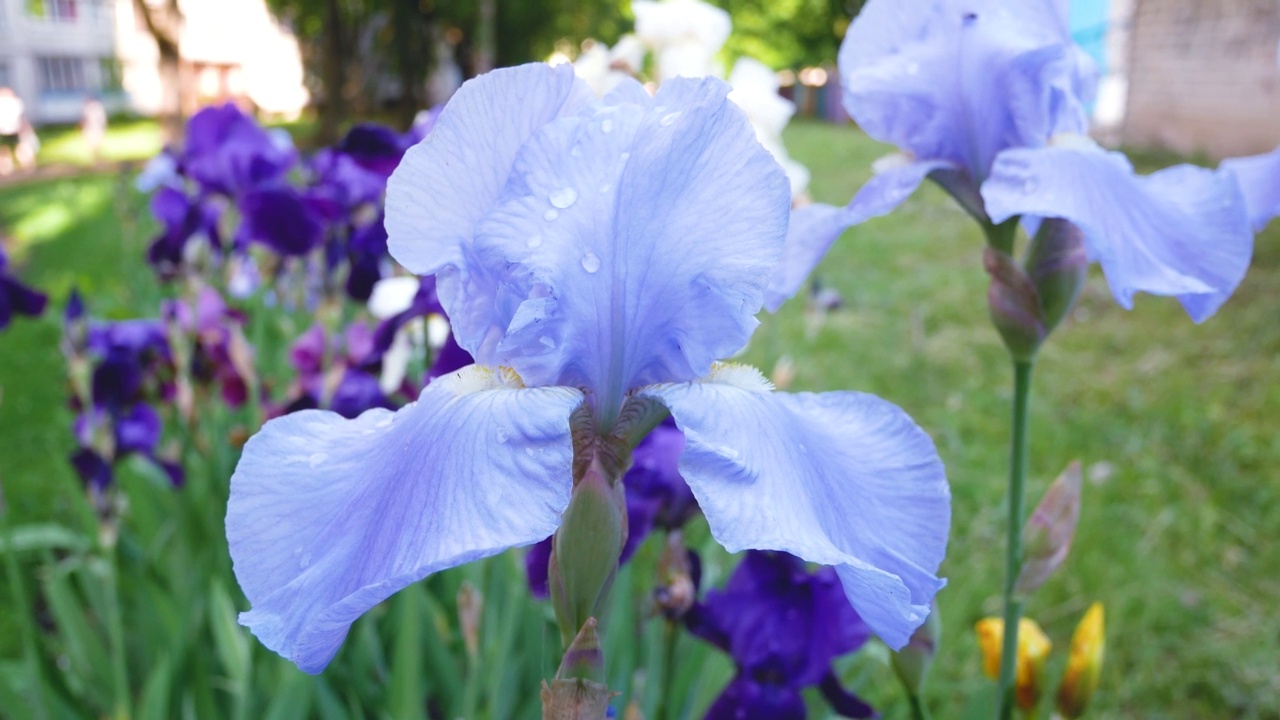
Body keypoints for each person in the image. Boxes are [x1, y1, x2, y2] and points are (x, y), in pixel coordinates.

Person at [0, 86, 24, 175]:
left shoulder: (12, 103)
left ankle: (7, 168)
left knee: (6, 150)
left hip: (7, 130)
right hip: (12, 129)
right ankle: (21, 166)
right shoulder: (15, 102)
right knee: (11, 149)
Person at [81, 95, 107, 164]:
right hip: (90, 127)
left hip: (96, 127)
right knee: (91, 141)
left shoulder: (97, 108)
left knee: (97, 141)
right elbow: (85, 119)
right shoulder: (87, 108)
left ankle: (98, 157)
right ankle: (94, 157)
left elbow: (102, 119)